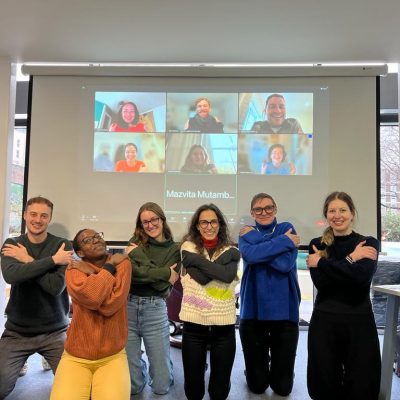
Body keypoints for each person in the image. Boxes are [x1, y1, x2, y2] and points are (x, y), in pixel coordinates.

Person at [306, 191, 381, 400]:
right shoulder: (317, 244)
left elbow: (361, 279)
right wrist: (351, 260)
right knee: (323, 384)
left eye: (342, 210)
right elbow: (323, 284)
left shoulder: (368, 243)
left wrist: (322, 263)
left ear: (352, 213)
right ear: (326, 215)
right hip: (324, 322)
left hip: (359, 322)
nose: (337, 215)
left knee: (362, 384)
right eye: (332, 211)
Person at [0, 196, 73, 399]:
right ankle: (20, 361)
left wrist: (27, 260)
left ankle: (48, 359)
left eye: (43, 215)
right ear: (24, 216)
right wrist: (52, 261)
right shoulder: (12, 243)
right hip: (17, 332)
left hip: (55, 331)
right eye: (33, 214)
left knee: (74, 390)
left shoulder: (62, 245)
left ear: (49, 218)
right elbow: (11, 275)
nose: (38, 220)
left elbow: (55, 287)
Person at [50, 229, 132, 400]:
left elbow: (110, 305)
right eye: (88, 240)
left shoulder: (122, 262)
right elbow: (94, 298)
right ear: (79, 252)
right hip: (76, 355)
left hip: (112, 354)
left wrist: (92, 272)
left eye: (97, 236)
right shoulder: (74, 268)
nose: (95, 240)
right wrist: (109, 268)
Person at [239, 193, 301, 396]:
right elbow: (250, 255)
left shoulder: (286, 228)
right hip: (253, 311)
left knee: (282, 389)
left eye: (268, 208)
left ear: (275, 209)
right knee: (257, 387)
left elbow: (284, 265)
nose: (263, 212)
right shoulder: (245, 232)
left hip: (284, 311)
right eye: (258, 209)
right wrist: (282, 243)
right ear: (252, 213)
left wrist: (256, 240)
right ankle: (254, 371)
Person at [180, 203, 239, 400]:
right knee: (193, 389)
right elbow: (205, 278)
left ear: (220, 224)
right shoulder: (187, 246)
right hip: (194, 327)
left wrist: (195, 261)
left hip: (224, 328)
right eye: (203, 222)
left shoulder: (230, 248)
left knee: (219, 390)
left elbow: (228, 276)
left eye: (213, 221)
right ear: (197, 226)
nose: (209, 226)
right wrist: (219, 267)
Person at [125, 202, 180, 395]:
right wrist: (164, 272)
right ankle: (140, 365)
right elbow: (133, 275)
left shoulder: (174, 248)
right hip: (128, 309)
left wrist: (139, 258)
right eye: (145, 222)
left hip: (155, 309)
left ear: (162, 219)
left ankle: (164, 368)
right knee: (133, 387)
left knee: (161, 386)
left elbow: (159, 286)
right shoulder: (135, 241)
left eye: (154, 219)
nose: (150, 225)